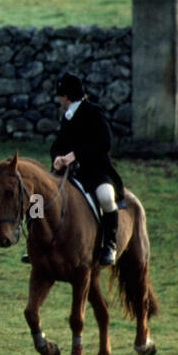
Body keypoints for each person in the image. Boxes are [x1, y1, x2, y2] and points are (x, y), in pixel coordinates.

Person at [50, 73, 124, 265]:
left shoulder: (93, 112)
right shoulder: (67, 116)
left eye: (60, 96)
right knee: (39, 196)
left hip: (96, 171)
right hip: (70, 172)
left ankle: (110, 245)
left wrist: (76, 154)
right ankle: (35, 243)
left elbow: (105, 142)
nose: (59, 100)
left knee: (107, 198)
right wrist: (57, 158)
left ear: (66, 97)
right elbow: (59, 143)